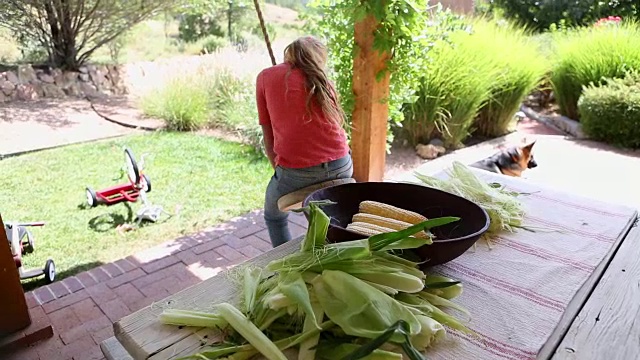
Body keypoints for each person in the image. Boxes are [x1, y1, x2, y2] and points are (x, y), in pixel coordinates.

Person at [256, 36, 353, 248]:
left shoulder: (266, 76)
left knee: (274, 216)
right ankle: (325, 246)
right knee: (318, 208)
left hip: (297, 172)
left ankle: (285, 259)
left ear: (289, 53)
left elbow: (268, 132)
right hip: (342, 165)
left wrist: (280, 170)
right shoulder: (321, 80)